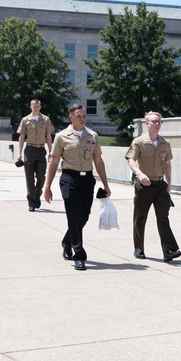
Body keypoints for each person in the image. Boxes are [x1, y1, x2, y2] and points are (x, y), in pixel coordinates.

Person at [44, 103, 111, 271]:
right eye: (78, 116)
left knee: (84, 216)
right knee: (73, 215)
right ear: (71, 117)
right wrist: (47, 186)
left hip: (87, 179)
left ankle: (67, 241)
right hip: (69, 178)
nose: (82, 119)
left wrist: (105, 183)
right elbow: (53, 162)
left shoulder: (93, 136)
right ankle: (79, 255)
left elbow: (98, 161)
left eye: (84, 116)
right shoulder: (61, 136)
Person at [125, 111, 181, 261]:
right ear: (147, 124)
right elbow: (131, 160)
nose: (157, 124)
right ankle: (139, 249)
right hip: (144, 185)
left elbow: (168, 164)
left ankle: (169, 250)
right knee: (140, 218)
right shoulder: (139, 142)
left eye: (159, 122)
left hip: (160, 185)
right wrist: (139, 174)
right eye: (154, 122)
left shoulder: (165, 144)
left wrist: (169, 183)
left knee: (163, 217)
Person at [16, 99, 55, 211]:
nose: (36, 108)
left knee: (41, 177)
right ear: (31, 107)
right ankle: (31, 202)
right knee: (29, 178)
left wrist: (50, 151)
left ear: (40, 107)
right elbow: (22, 137)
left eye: (38, 106)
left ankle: (37, 194)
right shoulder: (26, 120)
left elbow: (48, 136)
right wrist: (19, 153)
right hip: (29, 150)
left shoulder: (46, 119)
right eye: (34, 106)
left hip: (41, 150)